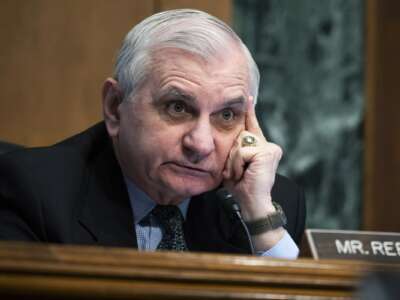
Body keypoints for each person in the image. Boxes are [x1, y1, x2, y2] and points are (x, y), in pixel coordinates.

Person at [0, 9, 305, 258]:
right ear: (115, 106)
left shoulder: (269, 202)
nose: (200, 144)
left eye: (226, 115)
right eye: (177, 107)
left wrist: (261, 218)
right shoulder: (32, 193)